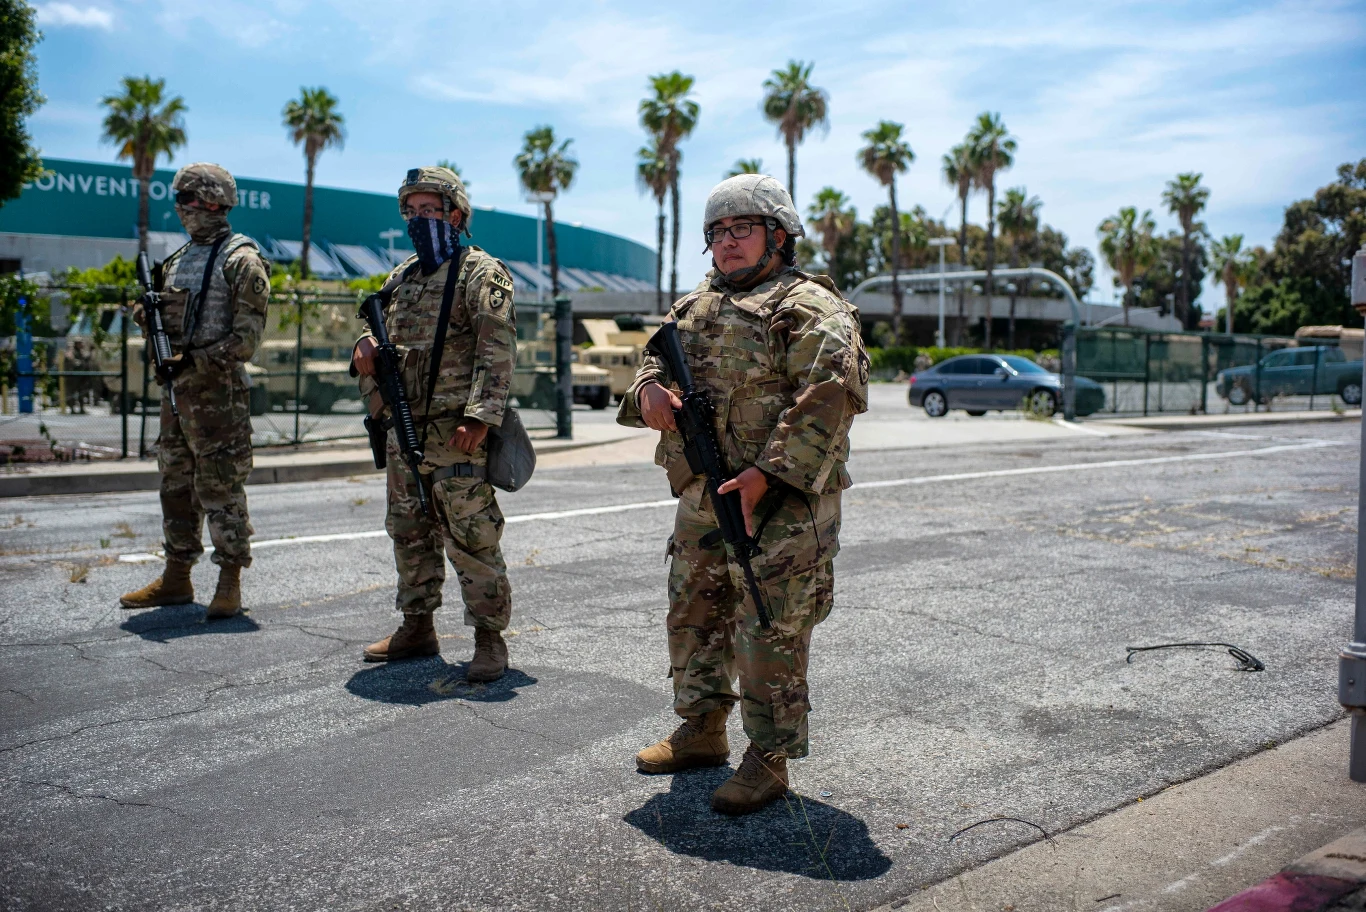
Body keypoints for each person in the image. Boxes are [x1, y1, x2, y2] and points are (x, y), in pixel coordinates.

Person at [619, 174, 869, 815]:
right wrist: (648, 390)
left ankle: (770, 757)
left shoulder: (807, 306)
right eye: (718, 233)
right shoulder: (693, 306)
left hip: (781, 503)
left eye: (742, 229)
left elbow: (828, 398)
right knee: (694, 613)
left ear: (778, 237)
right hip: (704, 495)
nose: (727, 243)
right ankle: (702, 729)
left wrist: (768, 475)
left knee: (770, 626)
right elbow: (653, 361)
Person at [350, 166, 518, 682]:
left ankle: (489, 640)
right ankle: (417, 626)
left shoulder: (480, 274)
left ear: (457, 215)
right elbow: (376, 334)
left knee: (471, 536)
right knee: (408, 531)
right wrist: (363, 348)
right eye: (412, 211)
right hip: (404, 431)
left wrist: (480, 418)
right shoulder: (400, 277)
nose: (420, 220)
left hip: (456, 433)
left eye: (431, 209)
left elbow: (497, 351)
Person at [119, 163, 270, 620]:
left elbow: (245, 340)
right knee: (176, 485)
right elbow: (175, 322)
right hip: (176, 396)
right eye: (181, 202)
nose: (181, 211)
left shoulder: (241, 259)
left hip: (218, 397)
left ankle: (229, 583)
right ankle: (177, 577)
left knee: (220, 487)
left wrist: (194, 360)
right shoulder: (180, 258)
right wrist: (149, 316)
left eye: (186, 201)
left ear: (210, 203)